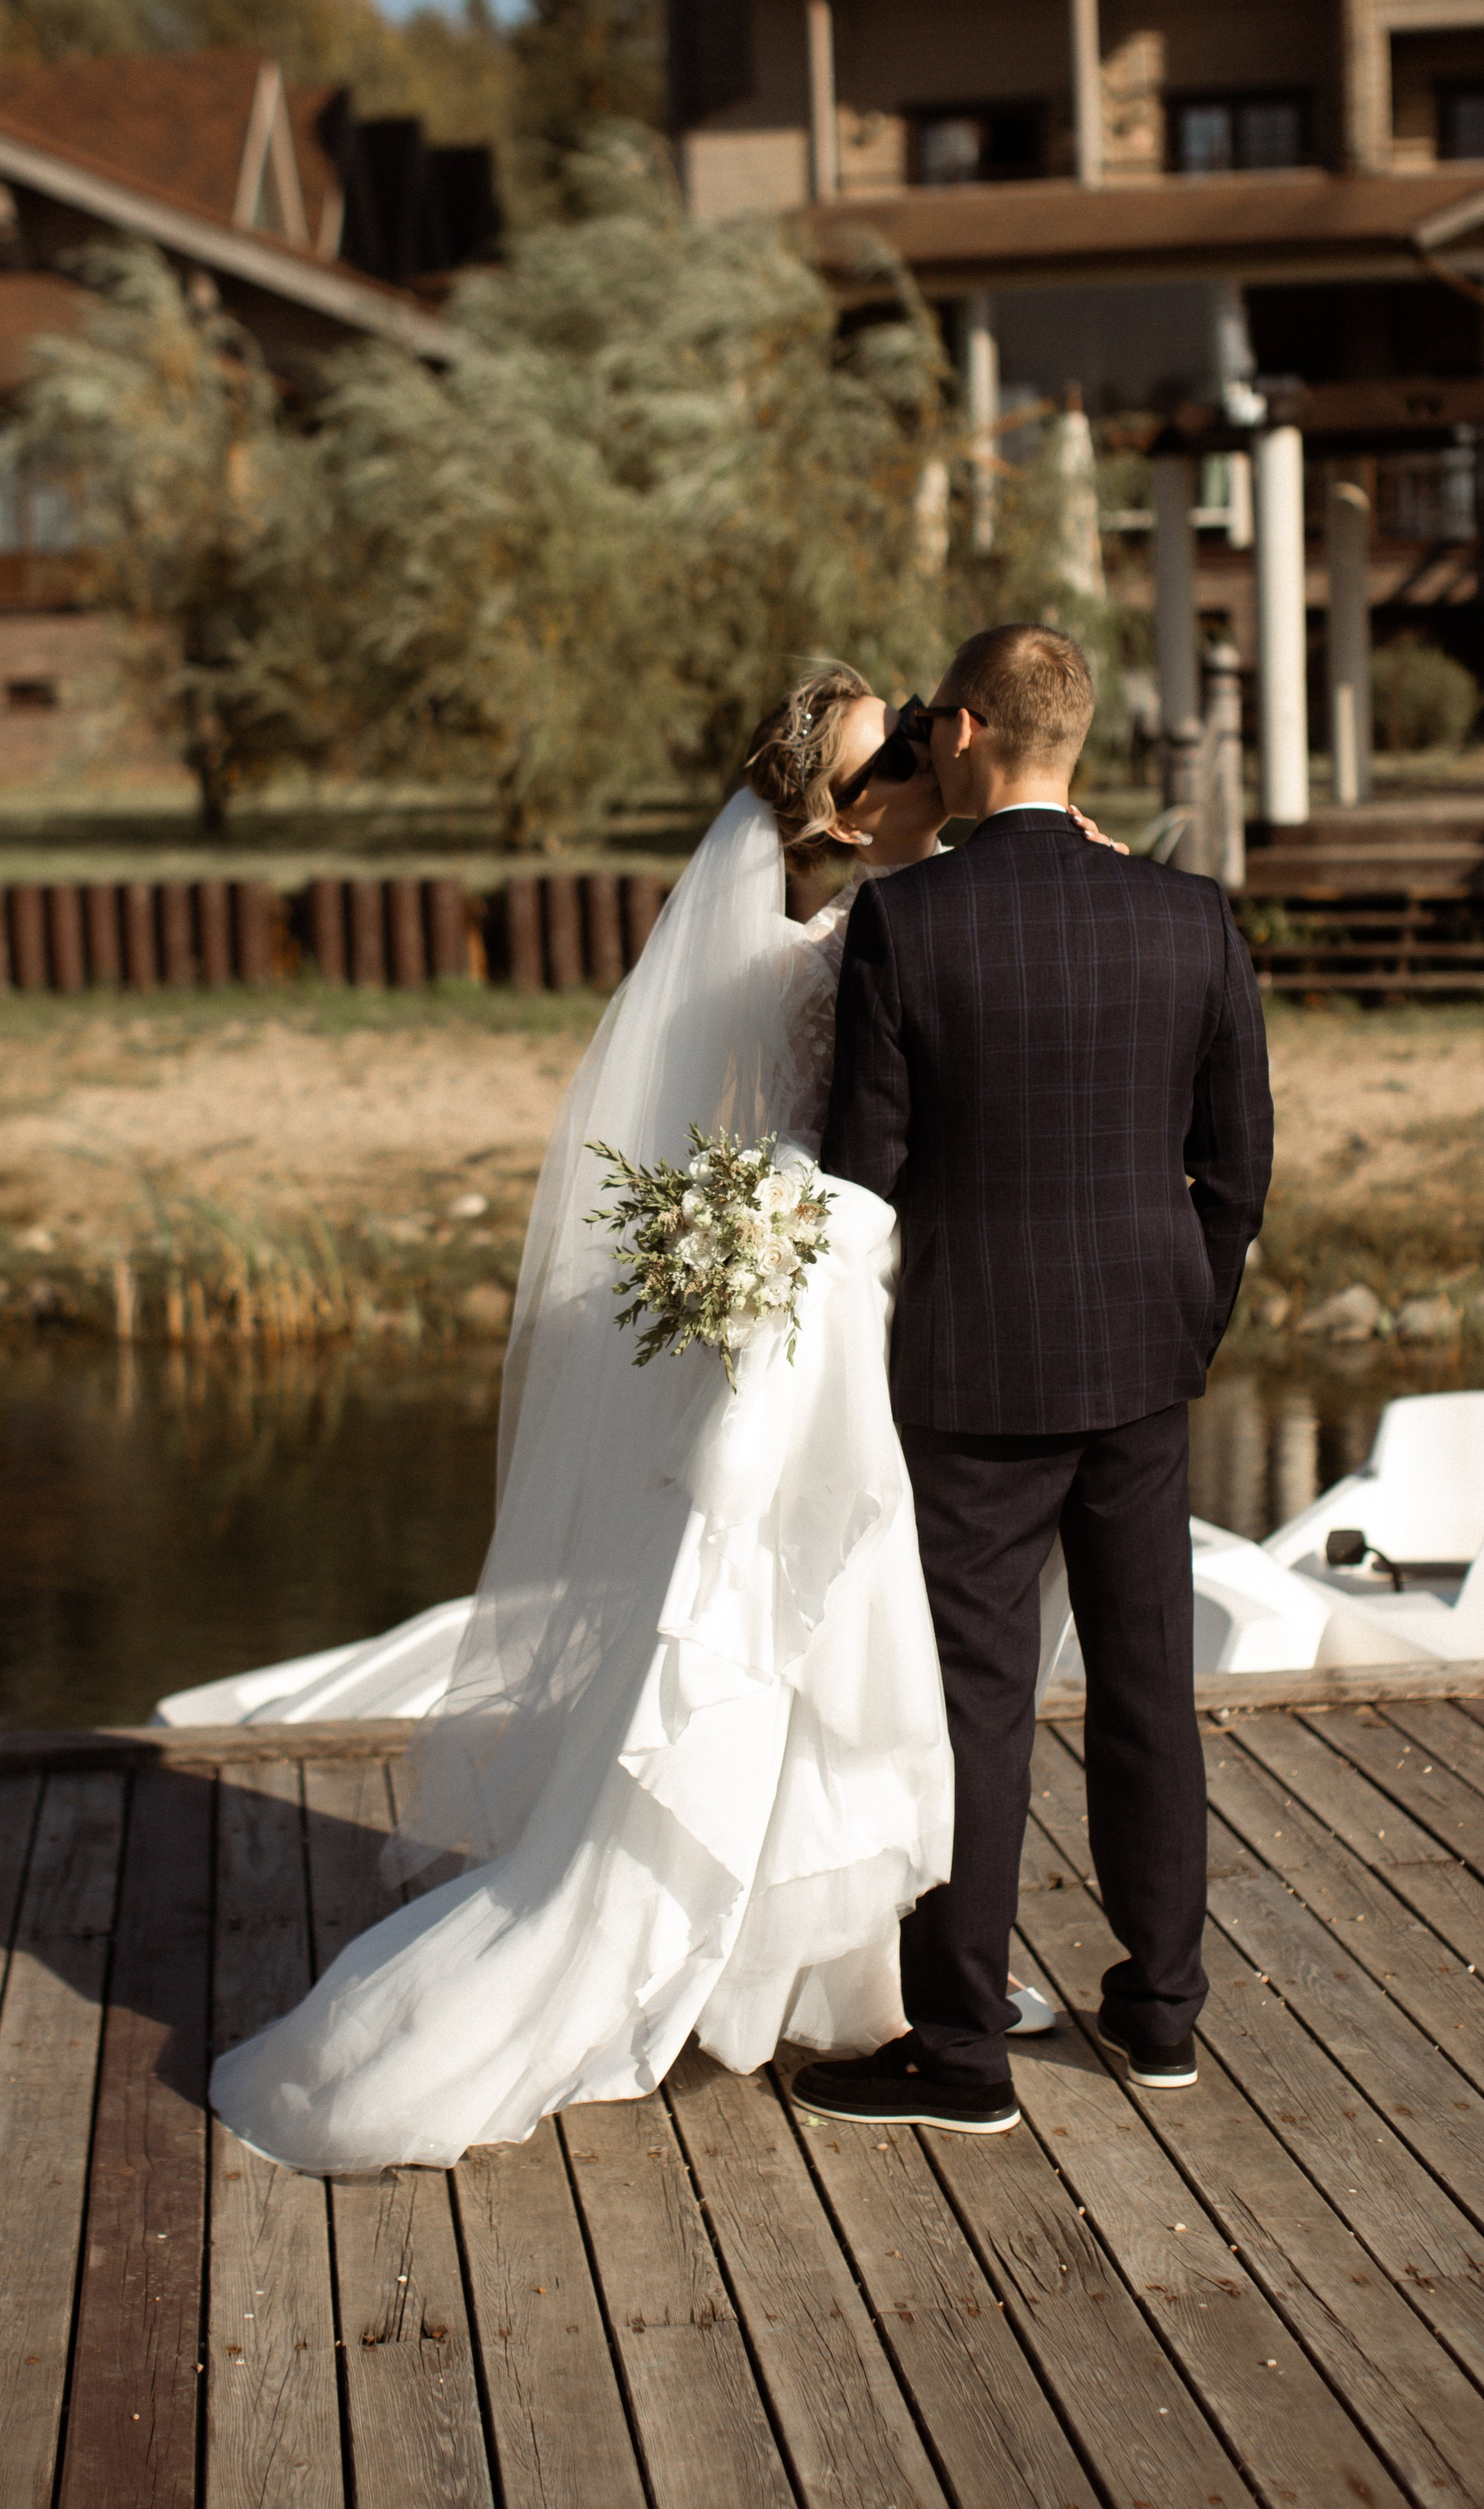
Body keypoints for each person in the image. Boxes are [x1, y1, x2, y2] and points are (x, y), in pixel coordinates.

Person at [208, 667, 975, 2172]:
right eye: (880, 744)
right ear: (837, 800)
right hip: (824, 1326)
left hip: (834, 1320)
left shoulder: (862, 925)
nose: (912, 746)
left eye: (908, 726)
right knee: (782, 1635)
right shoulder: (842, 942)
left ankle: (827, 1967)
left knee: (822, 1641)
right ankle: (726, 1955)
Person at [792, 623, 1272, 2138]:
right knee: (1145, 1687)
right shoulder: (1188, 915)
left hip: (965, 1370)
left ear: (973, 734)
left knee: (974, 1705)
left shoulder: (906, 925)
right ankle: (1158, 2017)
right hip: (1140, 1361)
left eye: (941, 727)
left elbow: (860, 1176)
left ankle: (959, 2050)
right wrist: (1179, 1324)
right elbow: (1235, 1167)